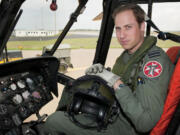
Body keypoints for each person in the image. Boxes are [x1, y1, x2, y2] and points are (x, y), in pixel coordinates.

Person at [43, 4, 174, 135]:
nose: (122, 35)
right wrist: (102, 74)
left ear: (142, 27)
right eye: (118, 29)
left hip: (124, 128)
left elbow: (145, 122)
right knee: (72, 91)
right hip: (113, 114)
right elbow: (128, 83)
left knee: (54, 121)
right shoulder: (129, 55)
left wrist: (115, 81)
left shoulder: (152, 63)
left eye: (128, 27)